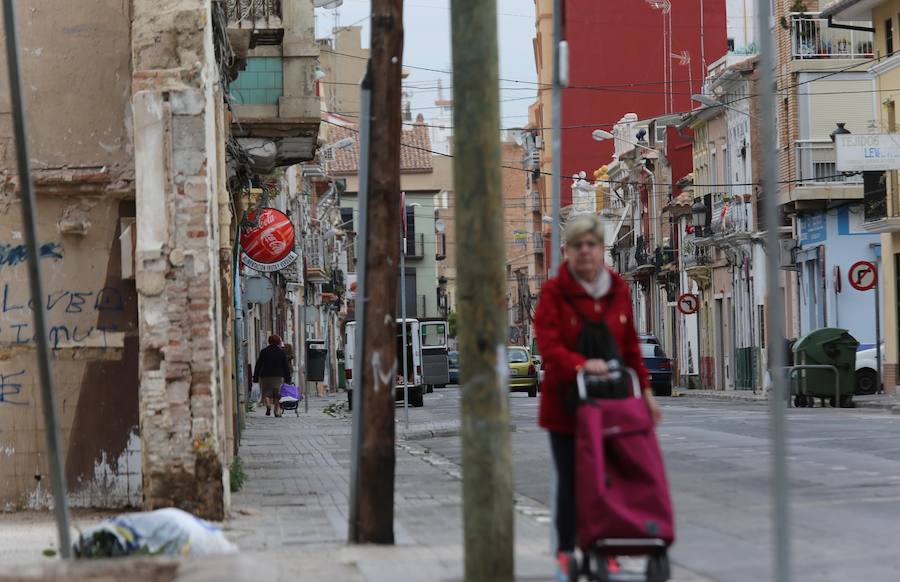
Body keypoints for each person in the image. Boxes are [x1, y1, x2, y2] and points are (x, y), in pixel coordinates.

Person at [533, 214, 662, 581]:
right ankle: (565, 552)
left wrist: (648, 395)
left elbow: (629, 349)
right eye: (578, 246)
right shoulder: (553, 293)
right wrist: (581, 365)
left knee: (609, 479)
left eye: (592, 244)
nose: (586, 251)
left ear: (601, 249)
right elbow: (550, 347)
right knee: (573, 481)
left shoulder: (617, 289)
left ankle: (605, 547)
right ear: (566, 252)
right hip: (566, 406)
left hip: (612, 405)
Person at [253, 334, 292, 417]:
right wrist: (288, 379)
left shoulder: (264, 351)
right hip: (278, 376)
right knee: (278, 395)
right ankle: (276, 411)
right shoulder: (281, 352)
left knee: (266, 393)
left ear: (269, 341)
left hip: (265, 376)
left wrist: (255, 377)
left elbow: (258, 364)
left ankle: (268, 406)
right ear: (278, 342)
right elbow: (285, 366)